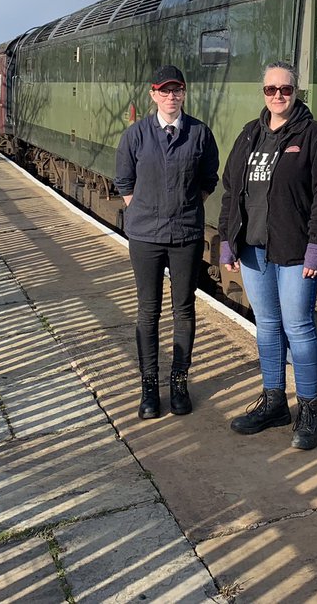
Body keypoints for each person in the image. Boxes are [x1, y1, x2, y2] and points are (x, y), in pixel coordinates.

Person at [218, 61, 317, 450]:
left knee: (299, 327)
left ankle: (309, 410)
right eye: (270, 90)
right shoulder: (249, 135)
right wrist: (227, 239)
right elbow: (231, 190)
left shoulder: (313, 137)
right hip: (253, 249)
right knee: (268, 325)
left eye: (285, 90)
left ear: (296, 92)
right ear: (263, 93)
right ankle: (274, 402)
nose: (277, 96)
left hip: (293, 251)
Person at [114, 65, 220, 419]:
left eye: (177, 91)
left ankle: (178, 383)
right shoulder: (136, 135)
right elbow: (124, 183)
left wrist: (182, 209)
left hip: (185, 235)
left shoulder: (200, 134)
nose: (171, 96)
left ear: (184, 93)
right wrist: (148, 212)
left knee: (184, 309)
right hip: (145, 237)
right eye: (164, 90)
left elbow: (208, 179)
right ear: (153, 94)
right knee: (148, 310)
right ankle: (148, 387)